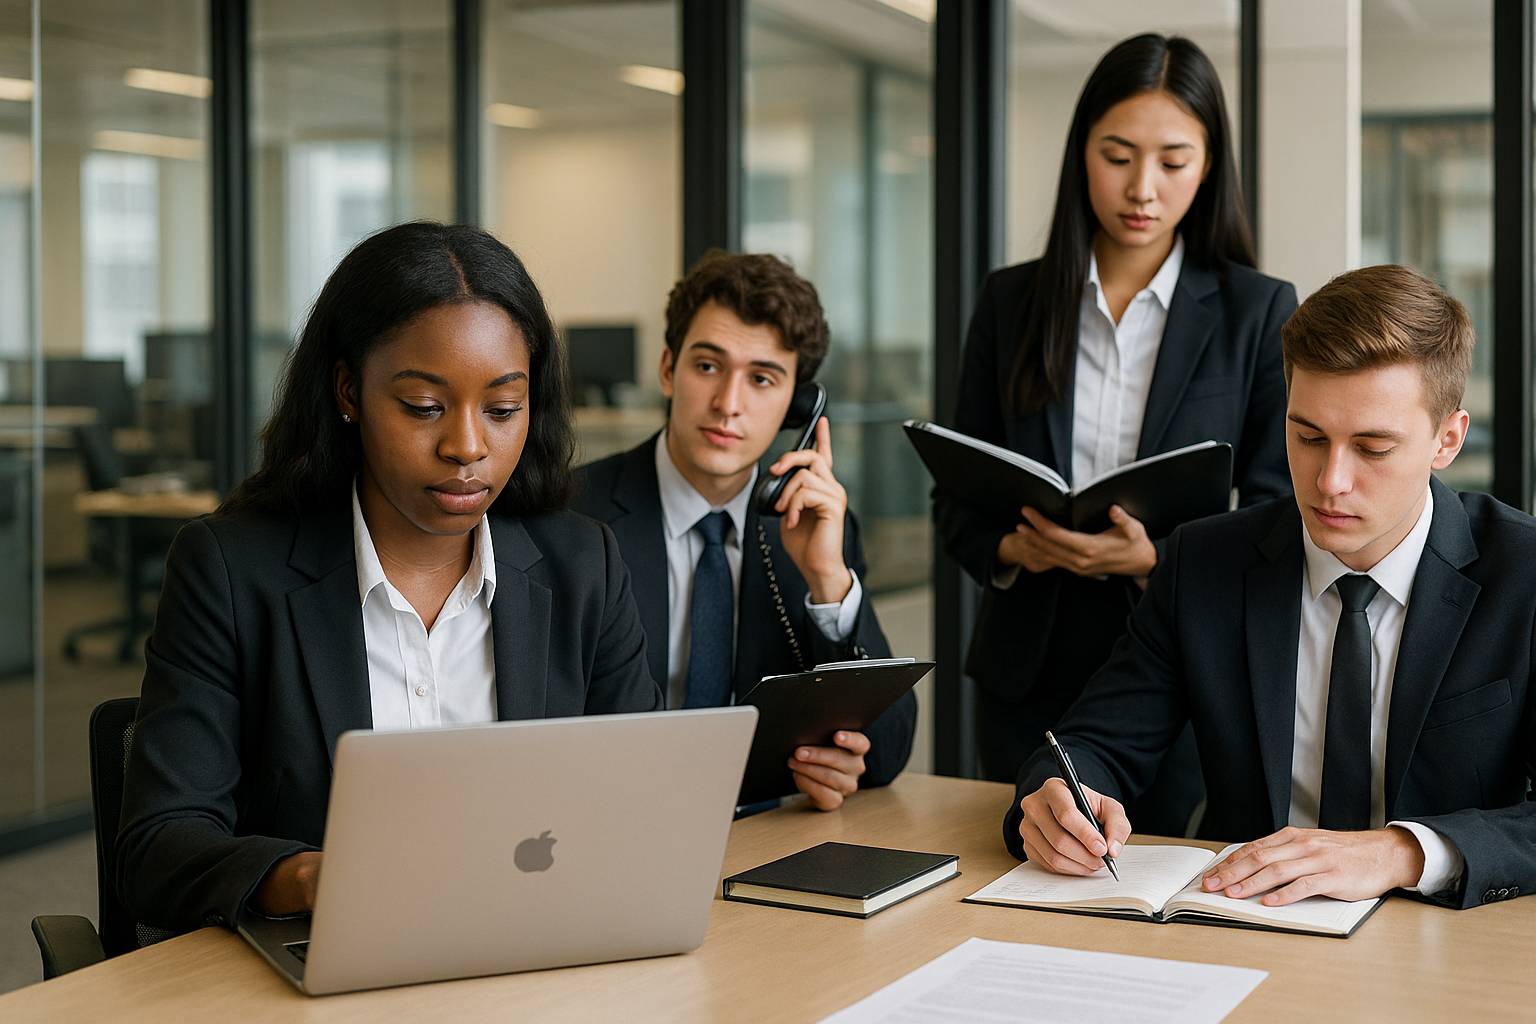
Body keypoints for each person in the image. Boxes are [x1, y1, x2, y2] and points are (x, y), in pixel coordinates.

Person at [117, 222, 663, 934]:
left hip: (540, 946)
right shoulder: (229, 571)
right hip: (329, 965)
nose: (467, 447)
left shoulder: (583, 564)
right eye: (424, 408)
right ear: (349, 391)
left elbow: (650, 798)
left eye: (503, 410)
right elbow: (158, 846)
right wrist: (309, 877)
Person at [1008, 264, 1534, 910]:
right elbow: (1093, 744)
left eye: (1371, 449)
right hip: (1242, 922)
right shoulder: (1206, 561)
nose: (1329, 480)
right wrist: (1062, 797)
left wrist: (1402, 851)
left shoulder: (1523, 571)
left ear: (1446, 440)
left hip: (1446, 942)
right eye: (1308, 437)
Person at [935, 33, 1297, 835]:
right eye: (1117, 154)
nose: (1143, 188)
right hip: (1028, 670)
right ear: (1082, 155)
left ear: (1209, 166)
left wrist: (1155, 561)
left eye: (1173, 160)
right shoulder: (1010, 302)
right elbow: (957, 500)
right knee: (1026, 878)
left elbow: (1278, 509)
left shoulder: (1256, 311)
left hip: (1182, 671)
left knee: (1149, 889)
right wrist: (1010, 550)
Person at [573, 251, 915, 811]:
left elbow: (886, 755)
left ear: (795, 408)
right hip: (609, 825)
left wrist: (828, 578)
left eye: (762, 379)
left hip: (758, 842)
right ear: (667, 369)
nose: (728, 405)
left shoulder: (816, 527)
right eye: (707, 367)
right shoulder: (573, 517)